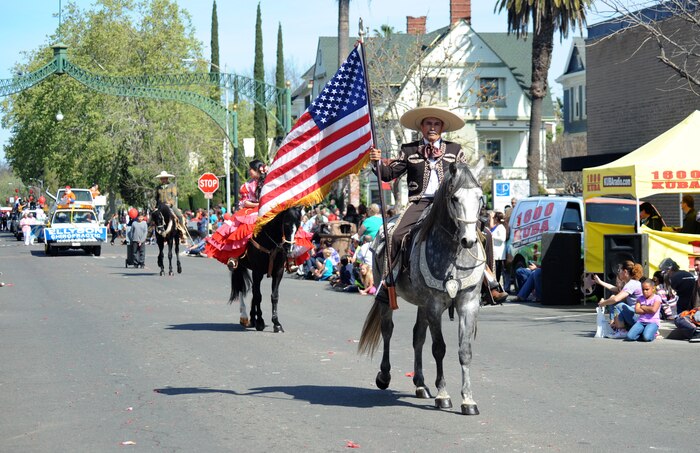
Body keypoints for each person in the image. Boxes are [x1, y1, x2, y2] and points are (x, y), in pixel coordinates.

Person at [368, 106, 471, 303]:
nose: (432, 127)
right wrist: (377, 163)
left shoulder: (454, 149)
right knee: (396, 235)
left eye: (436, 124)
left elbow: (465, 177)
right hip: (419, 202)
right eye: (428, 124)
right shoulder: (408, 150)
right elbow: (389, 174)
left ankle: (488, 281)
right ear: (421, 127)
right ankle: (390, 279)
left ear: (442, 128)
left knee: (482, 233)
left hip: (449, 203)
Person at [205, 160, 267, 270]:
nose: (249, 171)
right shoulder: (247, 185)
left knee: (287, 222)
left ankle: (290, 258)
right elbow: (244, 202)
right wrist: (257, 204)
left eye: (250, 169)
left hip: (267, 208)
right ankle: (234, 256)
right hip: (252, 209)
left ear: (258, 170)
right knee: (240, 228)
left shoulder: (270, 182)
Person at [594, 260, 644, 338]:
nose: (618, 272)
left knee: (618, 304)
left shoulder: (632, 284)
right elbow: (614, 288)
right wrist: (600, 282)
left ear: (625, 271)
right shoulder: (631, 283)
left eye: (619, 270)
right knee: (613, 300)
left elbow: (616, 299)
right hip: (636, 314)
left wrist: (604, 302)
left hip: (637, 316)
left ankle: (621, 331)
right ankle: (616, 326)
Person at [154, 170, 188, 242]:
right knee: (152, 217)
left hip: (170, 205)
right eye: (162, 178)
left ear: (167, 178)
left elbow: (174, 196)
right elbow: (156, 198)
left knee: (179, 215)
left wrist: (171, 203)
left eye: (164, 178)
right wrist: (156, 206)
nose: (163, 179)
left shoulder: (172, 186)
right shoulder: (158, 187)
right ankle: (149, 233)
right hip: (160, 205)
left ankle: (182, 231)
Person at [491, 211, 507, 285]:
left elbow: (502, 238)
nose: (493, 219)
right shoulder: (497, 227)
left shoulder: (501, 227)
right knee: (495, 271)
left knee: (498, 271)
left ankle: (497, 285)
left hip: (499, 254)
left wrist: (492, 236)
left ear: (496, 219)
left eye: (494, 218)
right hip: (495, 253)